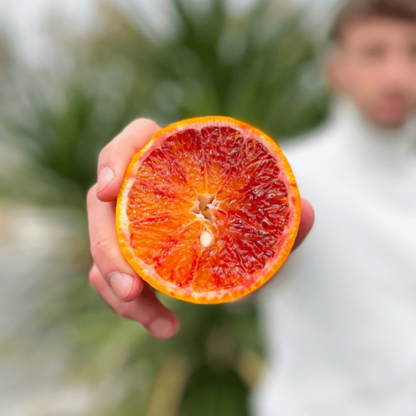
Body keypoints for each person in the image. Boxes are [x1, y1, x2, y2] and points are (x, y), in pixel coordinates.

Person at [251, 0, 416, 414]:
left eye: (413, 52)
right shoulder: (285, 177)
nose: (396, 74)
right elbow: (236, 278)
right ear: (335, 70)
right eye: (374, 52)